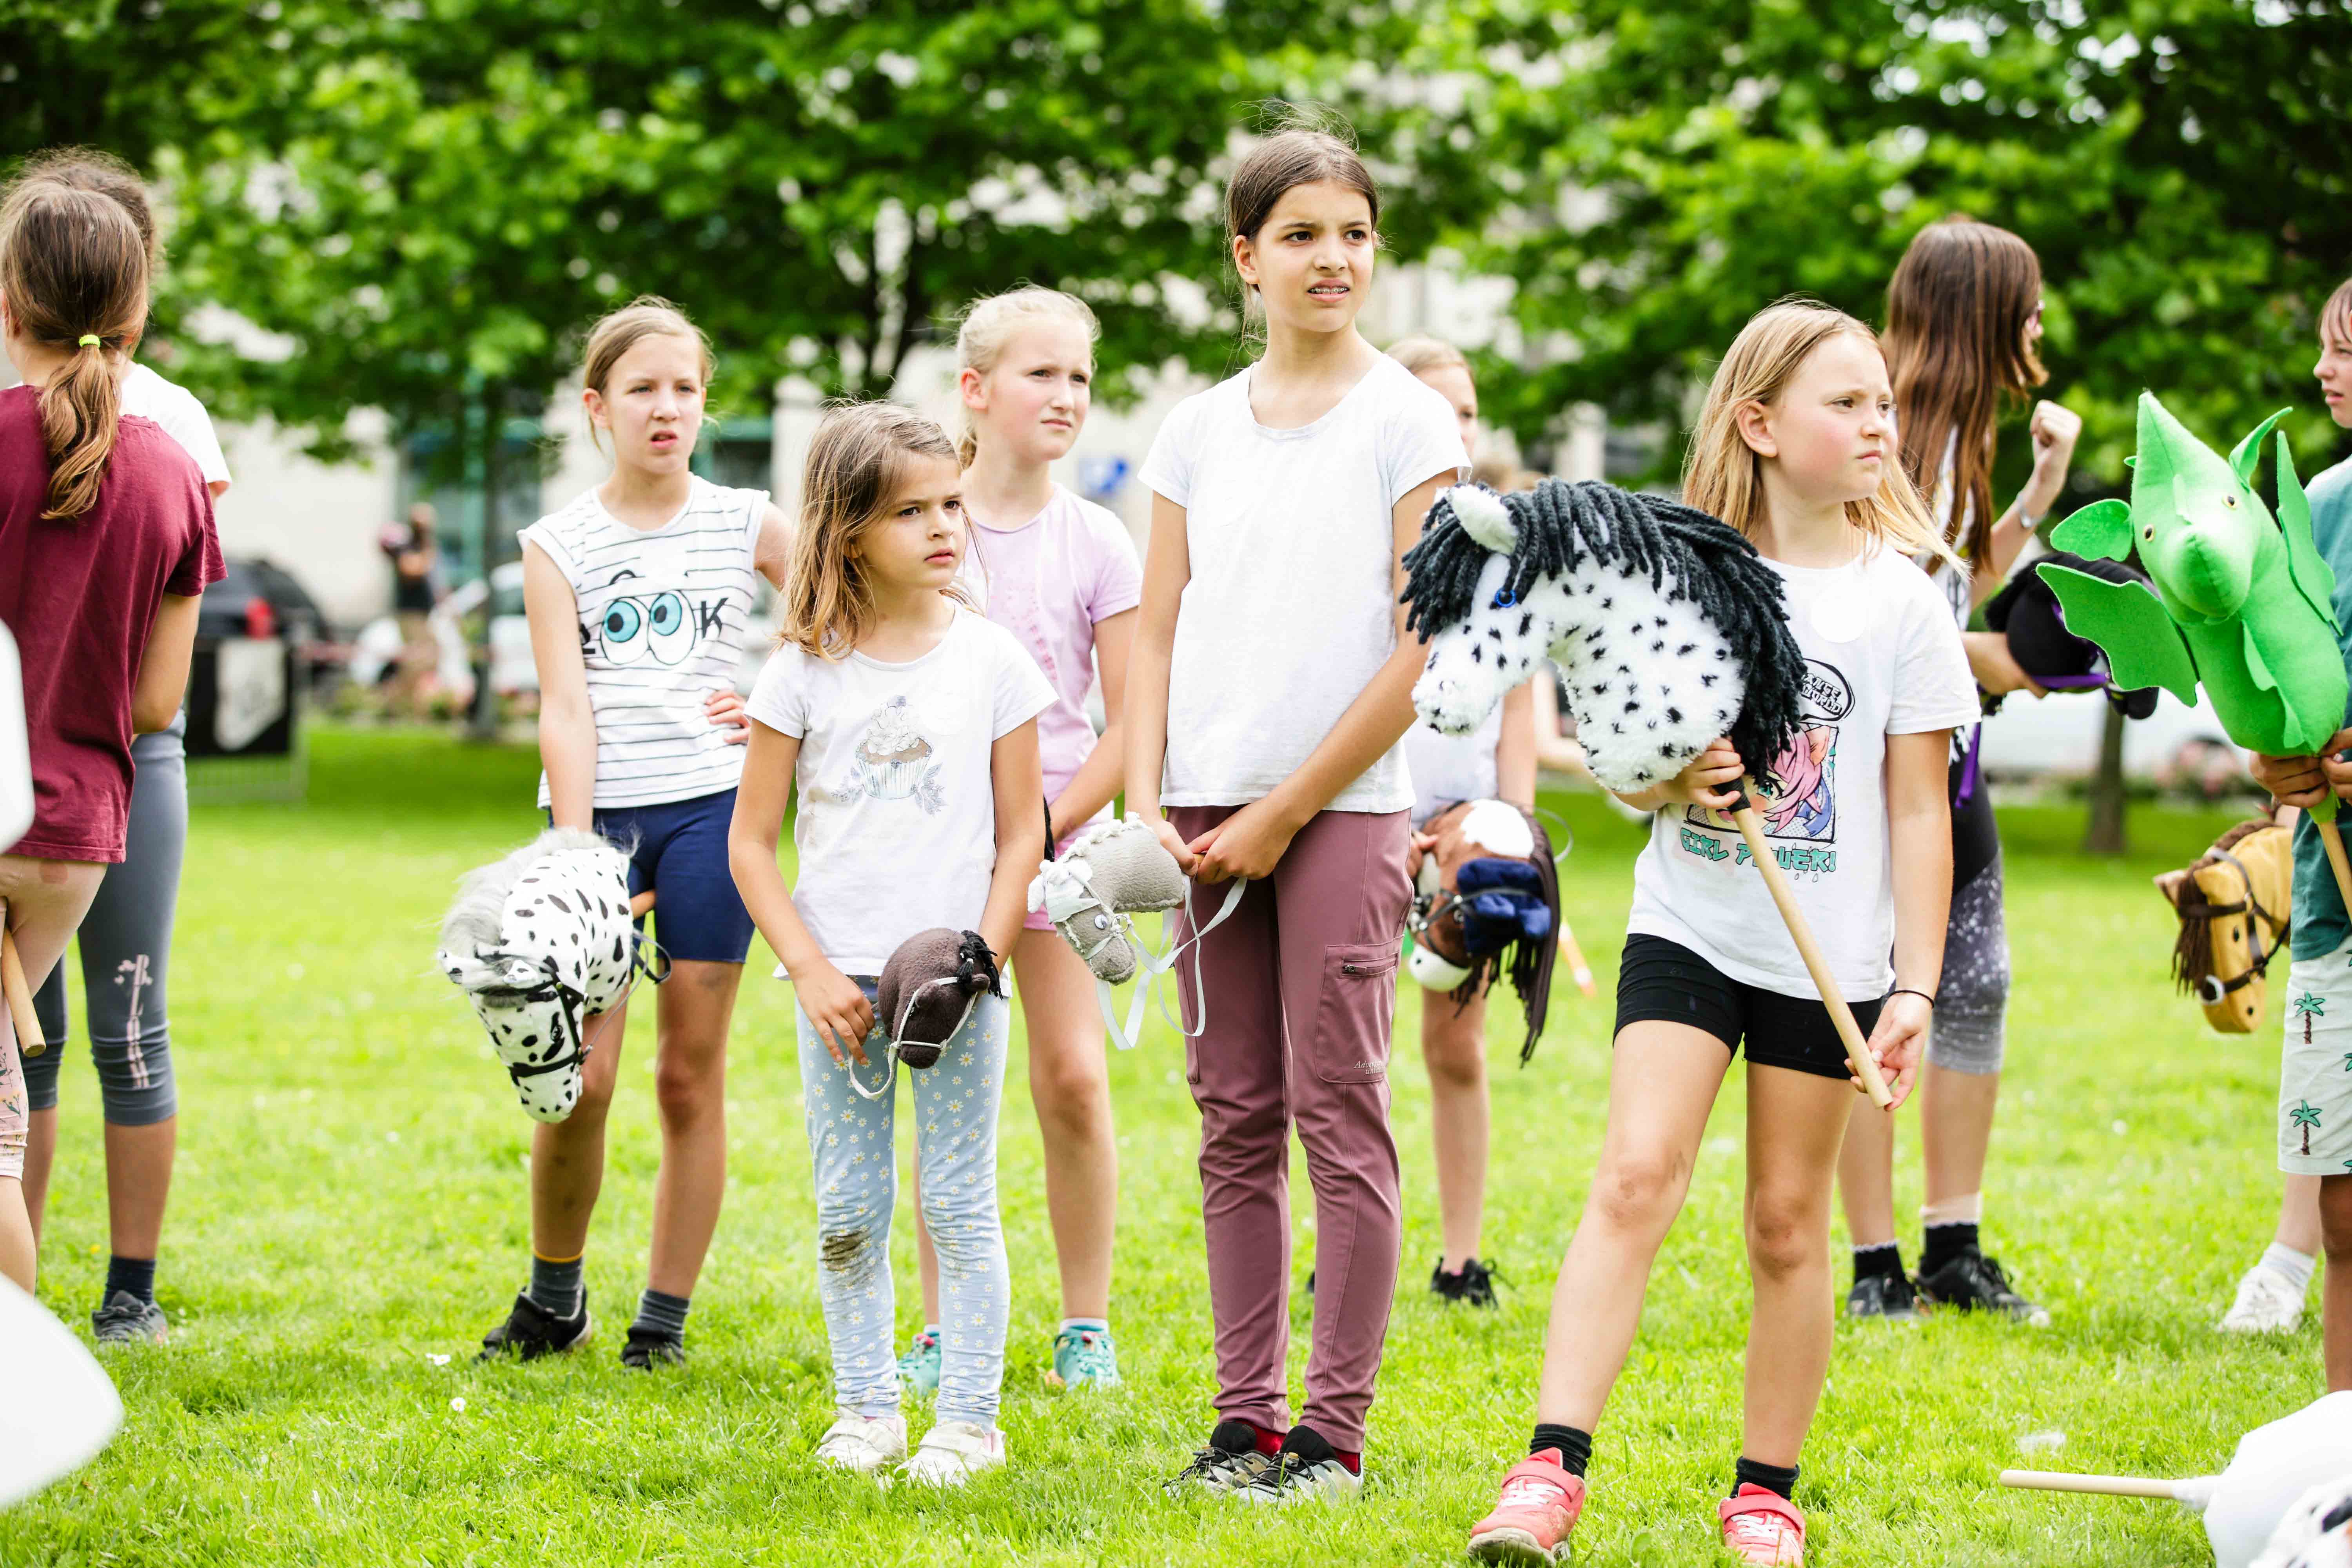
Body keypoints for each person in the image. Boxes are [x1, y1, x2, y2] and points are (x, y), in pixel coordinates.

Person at [1464, 301, 1973, 1565]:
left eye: (1880, 403)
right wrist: (1665, 777)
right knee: (1634, 1175)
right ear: (1758, 423)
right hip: (1688, 922)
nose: (1876, 424)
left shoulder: (1901, 601)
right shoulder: (1678, 573)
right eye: (1844, 403)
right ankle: (1547, 1469)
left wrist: (1914, 985)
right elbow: (1628, 766)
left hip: (1833, 953)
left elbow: (1918, 805)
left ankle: (1763, 1495)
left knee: (1787, 1222)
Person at [1129, 116, 1466, 1502]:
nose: (1335, 258)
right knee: (1232, 1118)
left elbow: (1422, 649)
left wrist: (1285, 813)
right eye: (1303, 236)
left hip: (1343, 810)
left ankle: (1331, 1433)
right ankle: (1244, 1420)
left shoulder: (1409, 418)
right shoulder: (1192, 428)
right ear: (1245, 259)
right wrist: (1150, 799)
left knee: (1341, 1113)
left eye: (1355, 234)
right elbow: (1153, 632)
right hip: (1199, 810)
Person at [729, 400, 1051, 1483]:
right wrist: (812, 972)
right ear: (849, 531)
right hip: (840, 989)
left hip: (956, 981)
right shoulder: (800, 674)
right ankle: (866, 1413)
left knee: (958, 1202)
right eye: (910, 511)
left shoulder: (995, 662)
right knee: (851, 1211)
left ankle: (969, 1422)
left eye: (950, 503)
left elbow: (1024, 839)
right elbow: (751, 848)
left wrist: (982, 962)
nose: (943, 527)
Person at [480, 296, 790, 1368]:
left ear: (706, 407)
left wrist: (773, 700)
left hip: (715, 820)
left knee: (686, 1078)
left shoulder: (746, 519)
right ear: (596, 408)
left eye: (686, 391)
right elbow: (563, 709)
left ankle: (660, 1326)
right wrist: (576, 866)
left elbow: (845, 616)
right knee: (583, 1081)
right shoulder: (555, 543)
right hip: (599, 826)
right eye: (643, 391)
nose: (667, 410)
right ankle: (552, 1303)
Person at [1834, 214, 2081, 1328]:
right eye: (2026, 305)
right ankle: (1876, 1263)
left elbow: (1957, 580)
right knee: (1872, 998)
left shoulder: (1961, 437)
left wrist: (2042, 487)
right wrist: (2007, 663)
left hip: (1949, 753)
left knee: (1972, 984)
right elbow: (1893, 620)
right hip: (1881, 765)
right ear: (1983, 310)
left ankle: (1953, 1247)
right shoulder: (1875, 430)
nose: (2039, 325)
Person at [895, 286, 1141, 1396]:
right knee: (942, 1077)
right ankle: (940, 1329)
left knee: (1075, 1082)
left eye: (1081, 378)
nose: (1067, 396)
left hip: (1054, 849)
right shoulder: (918, 527)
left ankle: (1084, 1326)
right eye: (1043, 374)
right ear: (976, 391)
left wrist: (1042, 829)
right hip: (938, 849)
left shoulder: (1097, 538)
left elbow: (1132, 723)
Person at [10, 150, 232, 1346]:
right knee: (28, 1056)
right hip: (94, 775)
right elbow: (155, 672)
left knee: (120, 1030)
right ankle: (28, 1303)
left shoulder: (174, 425)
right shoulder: (145, 453)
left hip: (110, 776)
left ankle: (124, 1295)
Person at [1387, 335, 1537, 1307]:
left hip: (1465, 828)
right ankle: (1356, 1235)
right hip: (1370, 817)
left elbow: (1518, 704)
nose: (1462, 429)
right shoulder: (1366, 547)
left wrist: (1502, 822)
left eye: (1471, 411)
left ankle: (1460, 1254)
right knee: (1346, 1056)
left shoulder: (1506, 559)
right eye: (1441, 410)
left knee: (1455, 1043)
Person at [2241, 272, 2352, 1380]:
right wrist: (2279, 762)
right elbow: (2275, 685)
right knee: (2343, 1203)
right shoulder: (2319, 506)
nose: (2325, 368)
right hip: (2336, 905)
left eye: (2347, 350)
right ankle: (2342, 1458)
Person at [380, 502, 442, 719]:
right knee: (420, 657)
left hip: (422, 612)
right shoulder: (407, 546)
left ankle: (409, 705)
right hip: (410, 613)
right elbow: (414, 569)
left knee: (429, 657)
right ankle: (394, 701)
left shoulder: (422, 546)